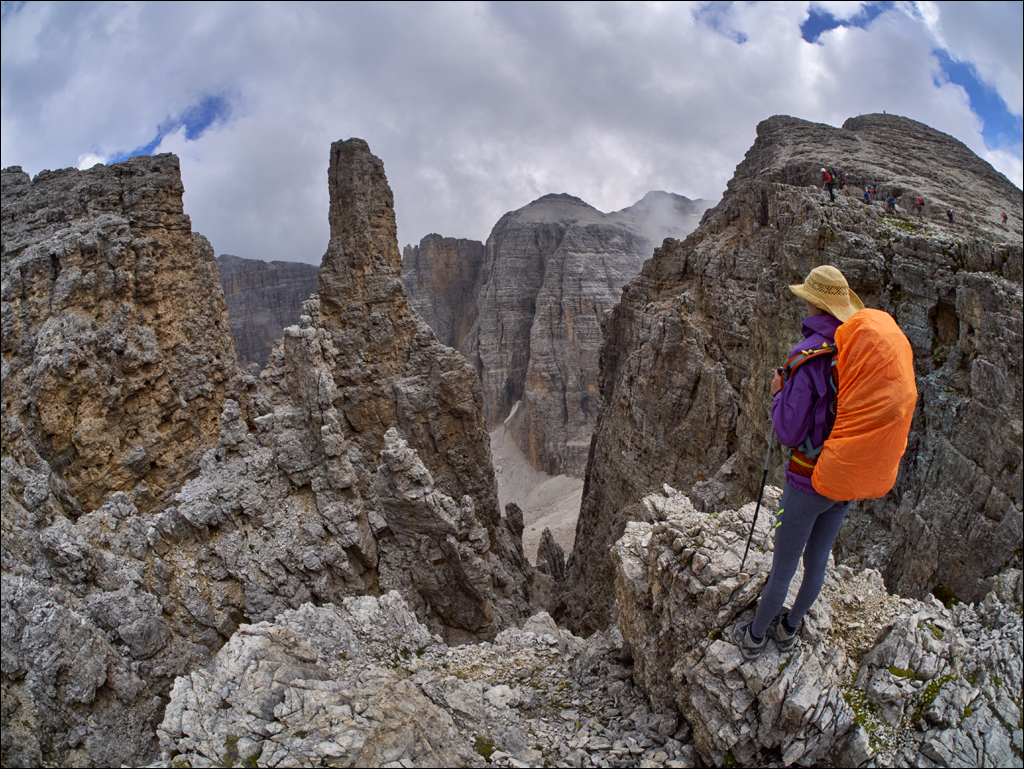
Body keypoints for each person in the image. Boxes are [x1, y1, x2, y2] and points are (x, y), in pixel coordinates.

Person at [733, 265, 865, 660]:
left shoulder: (808, 360)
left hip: (808, 481)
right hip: (844, 478)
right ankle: (789, 629)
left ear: (814, 303)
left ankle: (755, 637)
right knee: (817, 560)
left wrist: (778, 393)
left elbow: (788, 433)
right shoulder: (855, 353)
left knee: (785, 563)